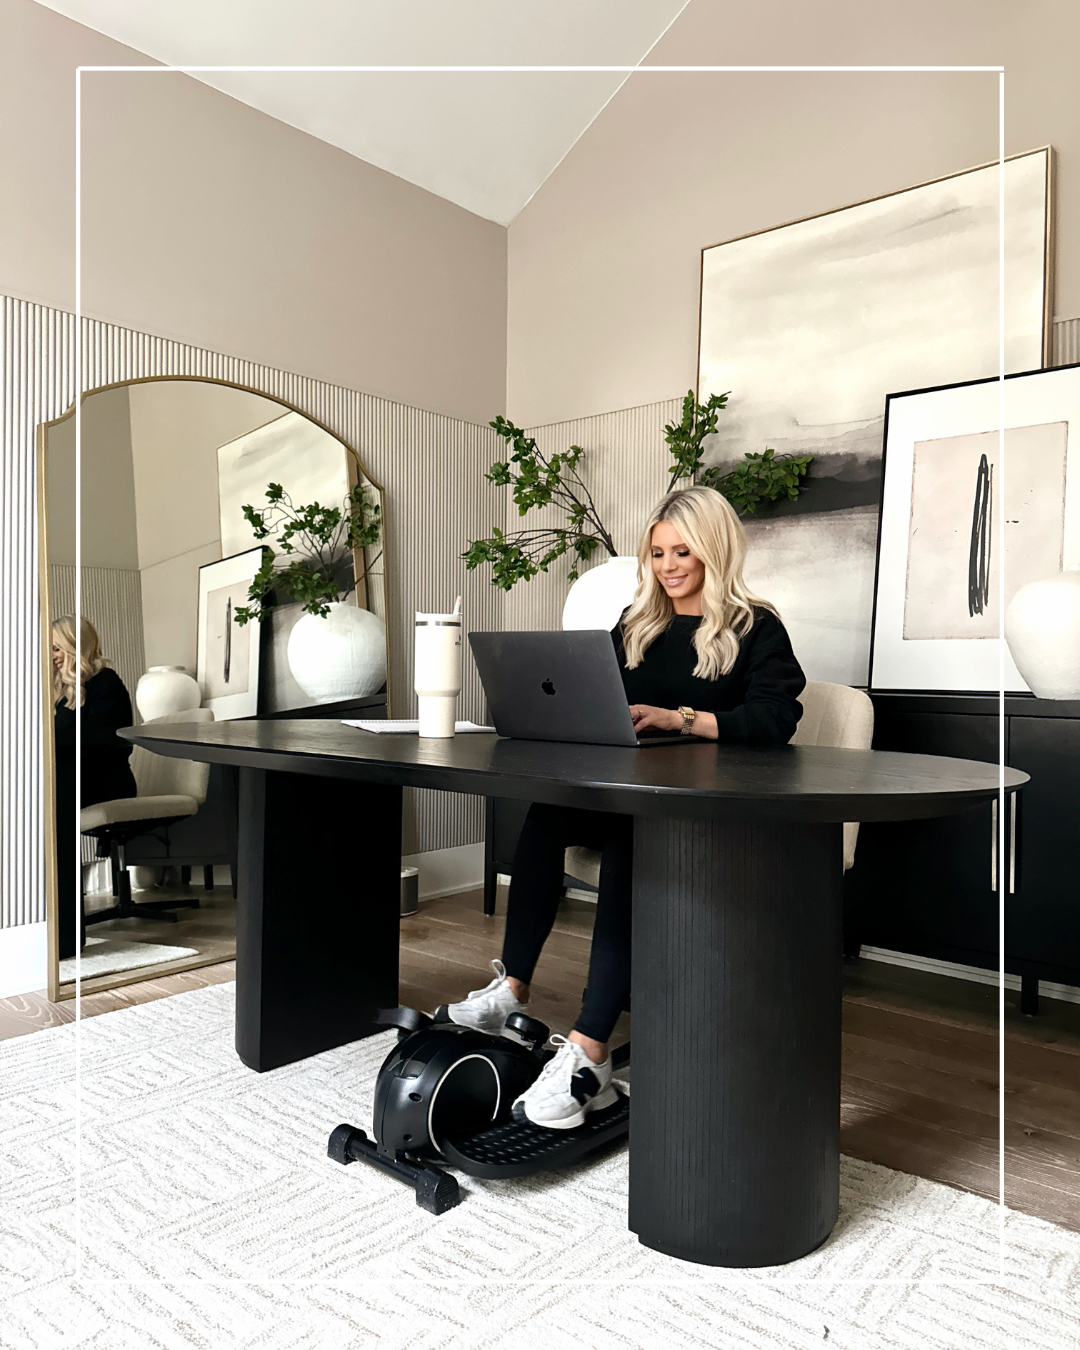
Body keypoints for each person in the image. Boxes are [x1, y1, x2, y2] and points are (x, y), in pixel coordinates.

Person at [443, 485, 806, 1128]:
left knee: (629, 845)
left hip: (705, 804)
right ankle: (513, 988)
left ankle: (589, 1049)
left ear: (714, 552)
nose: (668, 567)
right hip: (626, 787)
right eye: (658, 552)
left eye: (683, 553)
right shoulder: (637, 623)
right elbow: (594, 696)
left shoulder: (756, 626)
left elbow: (777, 719)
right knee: (545, 816)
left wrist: (681, 718)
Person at [52, 617, 137, 960]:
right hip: (77, 779)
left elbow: (107, 743)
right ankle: (47, 926)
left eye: (57, 647)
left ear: (75, 645)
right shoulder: (65, 694)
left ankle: (65, 937)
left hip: (107, 781)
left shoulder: (106, 683)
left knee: (52, 811)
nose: (53, 655)